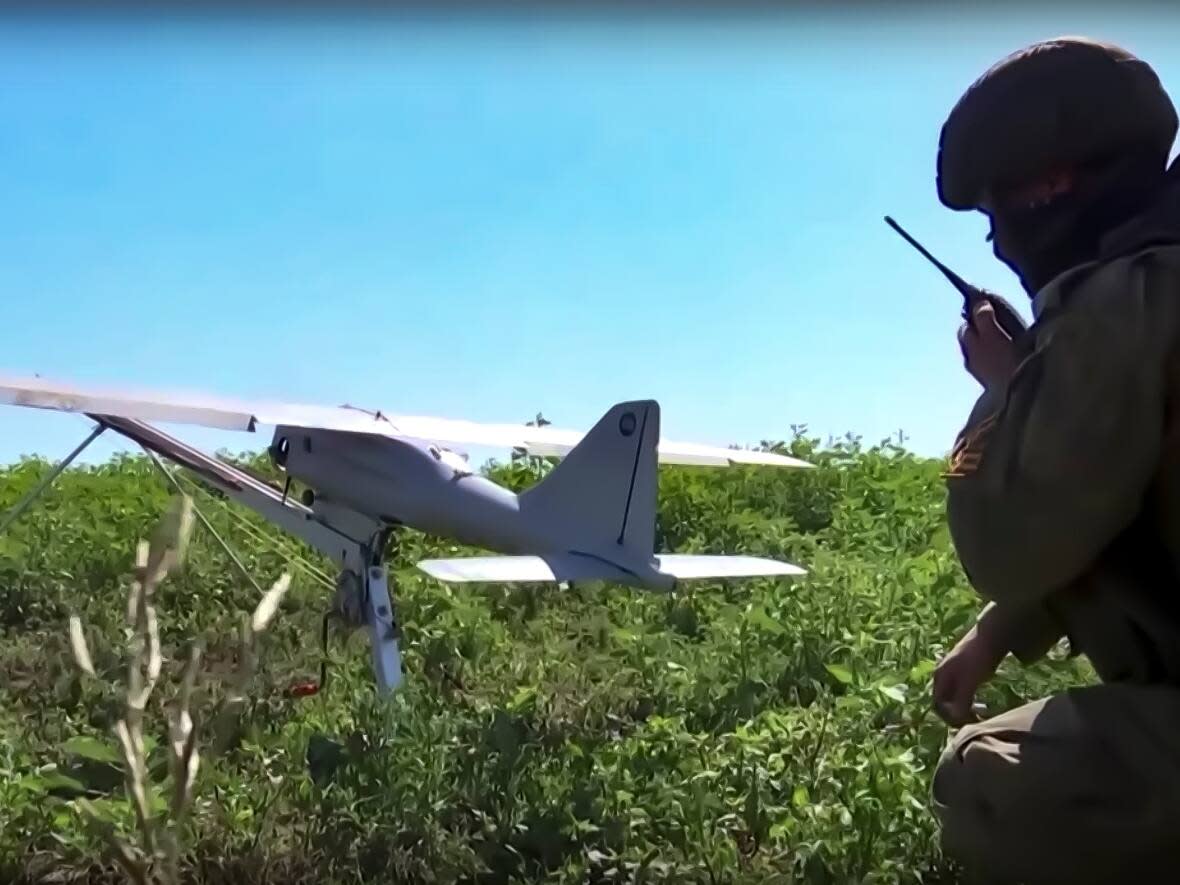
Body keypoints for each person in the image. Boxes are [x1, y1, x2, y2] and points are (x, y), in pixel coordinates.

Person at [926, 36, 1180, 883]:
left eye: (999, 210)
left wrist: (1006, 390)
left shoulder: (1119, 305)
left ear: (1054, 184)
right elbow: (1127, 498)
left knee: (985, 777)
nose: (997, 241)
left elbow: (1009, 542)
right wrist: (998, 633)